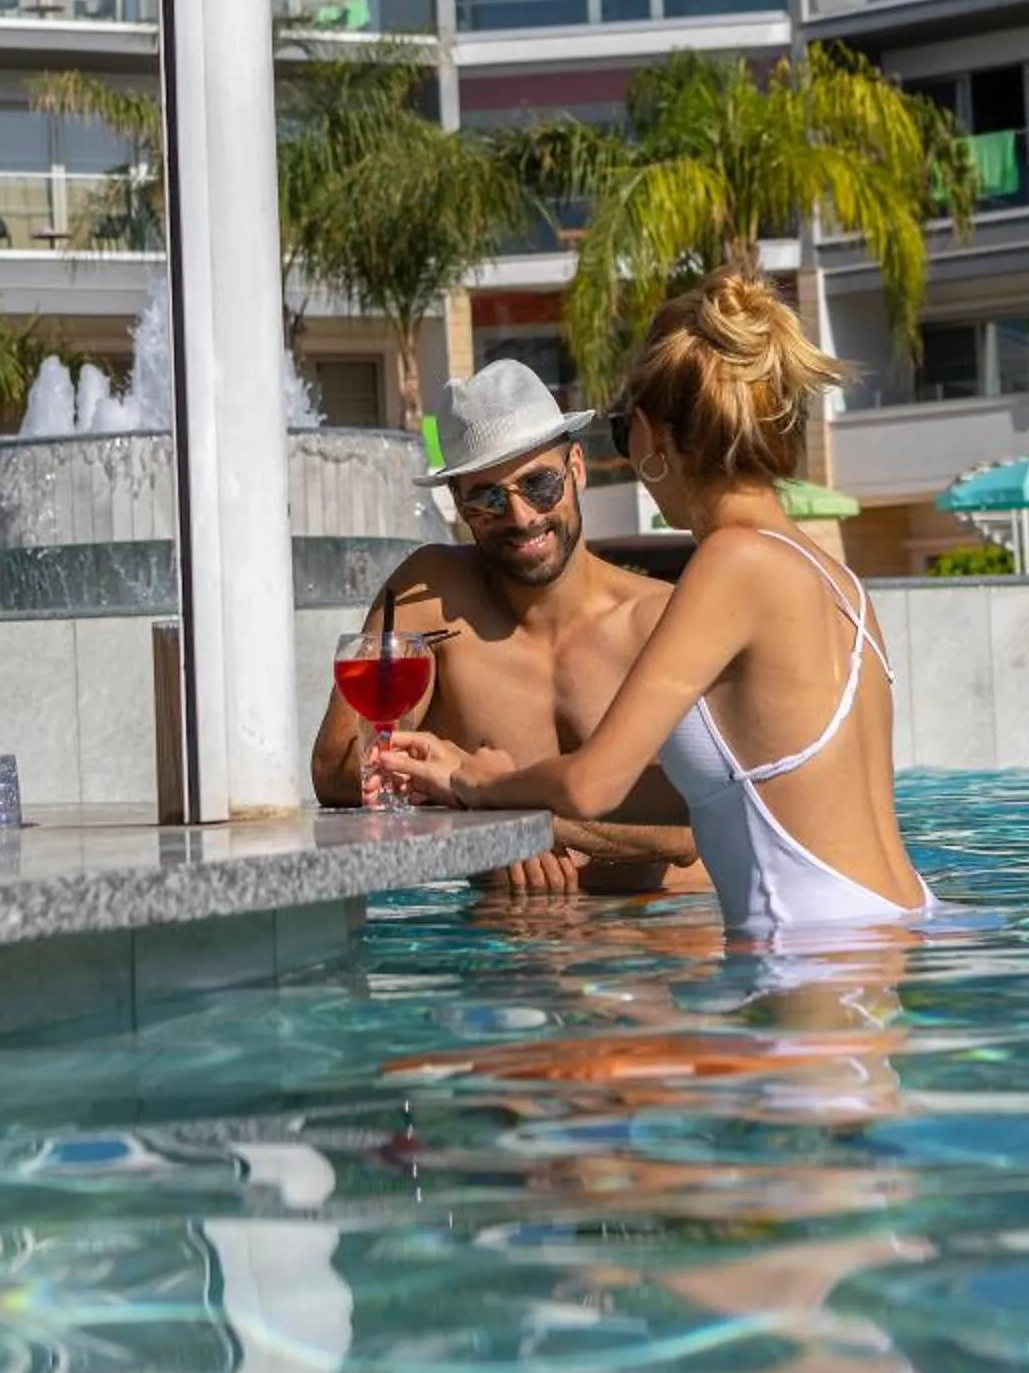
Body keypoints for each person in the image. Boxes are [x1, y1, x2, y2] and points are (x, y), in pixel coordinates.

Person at [378, 272, 940, 939]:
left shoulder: (731, 562)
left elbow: (593, 787)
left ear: (649, 436)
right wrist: (508, 788)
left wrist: (474, 777)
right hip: (893, 923)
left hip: (813, 947)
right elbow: (724, 794)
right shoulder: (834, 576)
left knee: (549, 1048)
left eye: (622, 430)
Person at [309, 359, 703, 896]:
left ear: (578, 469)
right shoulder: (429, 597)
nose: (520, 517)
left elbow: (688, 827)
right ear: (460, 506)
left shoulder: (660, 619)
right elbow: (335, 771)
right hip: (505, 946)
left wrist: (505, 810)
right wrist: (480, 814)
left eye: (539, 484)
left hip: (657, 941)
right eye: (488, 497)